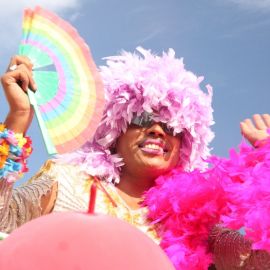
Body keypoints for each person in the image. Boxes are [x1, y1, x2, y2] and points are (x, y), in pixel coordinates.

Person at [0, 48, 270, 269]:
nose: (156, 129)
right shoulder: (67, 180)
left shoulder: (194, 219)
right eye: (141, 118)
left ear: (184, 145)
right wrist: (18, 118)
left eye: (173, 126)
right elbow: (4, 221)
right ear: (115, 129)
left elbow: (257, 263)